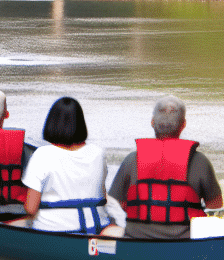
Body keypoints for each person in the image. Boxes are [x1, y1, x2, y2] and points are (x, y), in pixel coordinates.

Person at [105, 95, 223, 239]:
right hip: (184, 242)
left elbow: (115, 204)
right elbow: (216, 206)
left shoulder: (131, 160)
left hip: (135, 240)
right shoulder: (200, 161)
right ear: (183, 124)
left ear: (152, 122)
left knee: (110, 229)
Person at [14, 97, 111, 233]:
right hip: (97, 228)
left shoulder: (42, 154)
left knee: (13, 224)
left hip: (53, 230)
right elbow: (102, 196)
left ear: (51, 123)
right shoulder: (99, 153)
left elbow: (30, 208)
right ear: (81, 124)